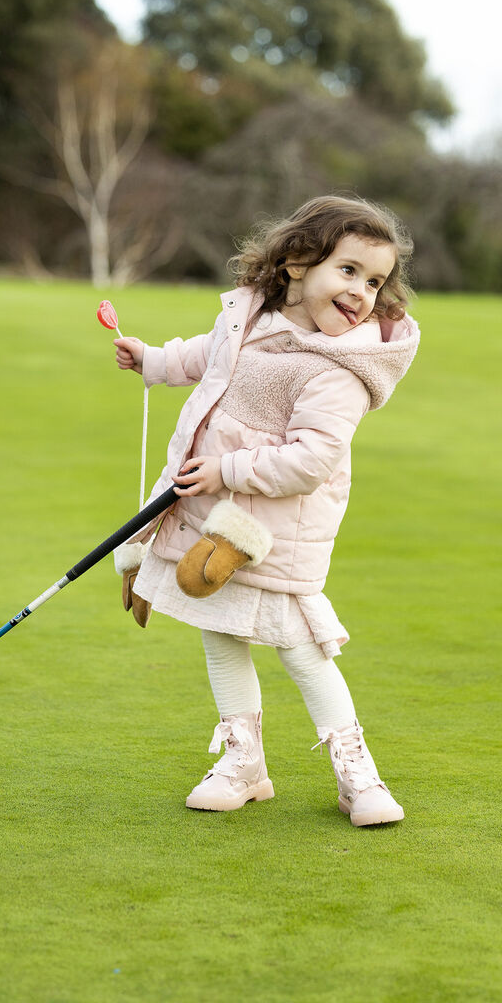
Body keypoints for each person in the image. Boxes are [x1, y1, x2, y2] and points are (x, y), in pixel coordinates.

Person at [113, 195, 420, 827]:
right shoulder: (250, 316)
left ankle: (355, 773)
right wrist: (155, 361)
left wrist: (225, 469)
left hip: (277, 528)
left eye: (375, 281)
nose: (362, 291)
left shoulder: (341, 369)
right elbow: (211, 357)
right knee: (220, 628)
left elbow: (309, 461)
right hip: (211, 511)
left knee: (303, 646)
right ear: (299, 261)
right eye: (350, 271)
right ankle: (243, 763)